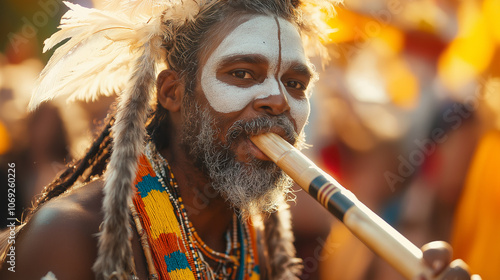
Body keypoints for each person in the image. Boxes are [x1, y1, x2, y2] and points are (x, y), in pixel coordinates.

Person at [0, 0, 481, 279]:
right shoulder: (67, 237)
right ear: (173, 92)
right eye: (243, 72)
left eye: (295, 84)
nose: (277, 100)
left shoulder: (258, 247)